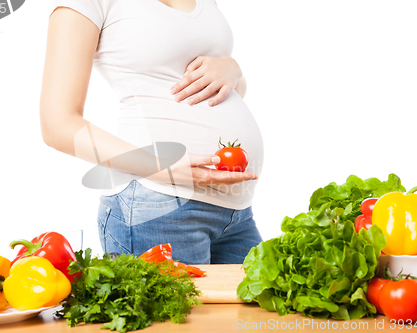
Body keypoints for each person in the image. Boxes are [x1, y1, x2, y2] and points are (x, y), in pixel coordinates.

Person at [40, 0, 264, 264]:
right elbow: (57, 124)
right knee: (180, 306)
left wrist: (233, 70)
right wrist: (158, 165)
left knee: (251, 305)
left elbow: (215, 96)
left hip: (235, 210)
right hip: (157, 204)